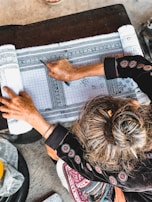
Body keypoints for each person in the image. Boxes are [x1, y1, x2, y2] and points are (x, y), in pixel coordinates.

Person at [0, 55, 152, 202]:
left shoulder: (135, 177)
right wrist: (75, 72)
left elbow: (82, 163)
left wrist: (31, 116)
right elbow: (139, 67)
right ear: (134, 104)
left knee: (55, 153)